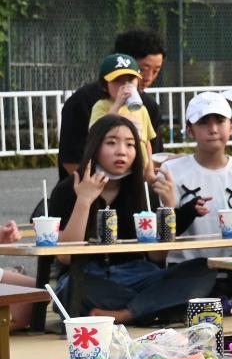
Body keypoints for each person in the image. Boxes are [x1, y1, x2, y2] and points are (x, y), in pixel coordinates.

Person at [47, 114, 212, 324]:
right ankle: (154, 308)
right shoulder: (68, 189)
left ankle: (125, 314)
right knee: (72, 290)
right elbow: (66, 257)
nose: (122, 151)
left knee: (204, 269)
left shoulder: (143, 190)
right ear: (94, 147)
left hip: (138, 275)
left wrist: (169, 207)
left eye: (130, 144)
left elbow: (157, 256)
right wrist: (84, 201)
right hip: (88, 276)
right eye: (111, 143)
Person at [158, 92, 232, 304]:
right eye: (203, 122)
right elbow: (165, 234)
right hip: (186, 272)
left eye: (219, 121)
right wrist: (186, 212)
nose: (213, 129)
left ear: (231, 126)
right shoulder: (171, 170)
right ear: (190, 130)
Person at [56, 28, 166, 178]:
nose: (148, 77)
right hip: (88, 186)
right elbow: (71, 161)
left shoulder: (148, 106)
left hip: (135, 187)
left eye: (156, 70)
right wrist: (105, 186)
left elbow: (151, 153)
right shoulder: (82, 102)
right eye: (142, 69)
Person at [87, 55, 158, 172]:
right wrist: (118, 104)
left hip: (138, 171)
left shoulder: (141, 109)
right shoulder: (101, 106)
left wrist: (149, 171)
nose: (125, 85)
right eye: (117, 81)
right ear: (105, 85)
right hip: (112, 170)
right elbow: (97, 131)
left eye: (131, 80)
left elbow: (146, 142)